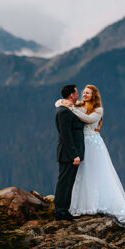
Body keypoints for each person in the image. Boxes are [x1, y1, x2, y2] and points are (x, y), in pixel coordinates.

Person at [55, 84, 125, 226]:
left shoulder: (97, 110)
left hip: (92, 143)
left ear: (94, 95)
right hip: (80, 145)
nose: (84, 95)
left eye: (88, 93)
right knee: (80, 175)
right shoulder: (77, 106)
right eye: (83, 92)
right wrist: (61, 102)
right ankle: (73, 206)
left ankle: (95, 202)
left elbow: (88, 119)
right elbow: (60, 104)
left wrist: (71, 107)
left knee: (95, 172)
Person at [54, 84, 84, 221]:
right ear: (71, 95)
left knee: (69, 182)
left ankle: (64, 210)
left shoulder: (68, 109)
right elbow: (66, 135)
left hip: (69, 154)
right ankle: (60, 211)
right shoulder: (64, 112)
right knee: (64, 182)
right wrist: (74, 155)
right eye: (76, 93)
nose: (78, 95)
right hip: (67, 154)